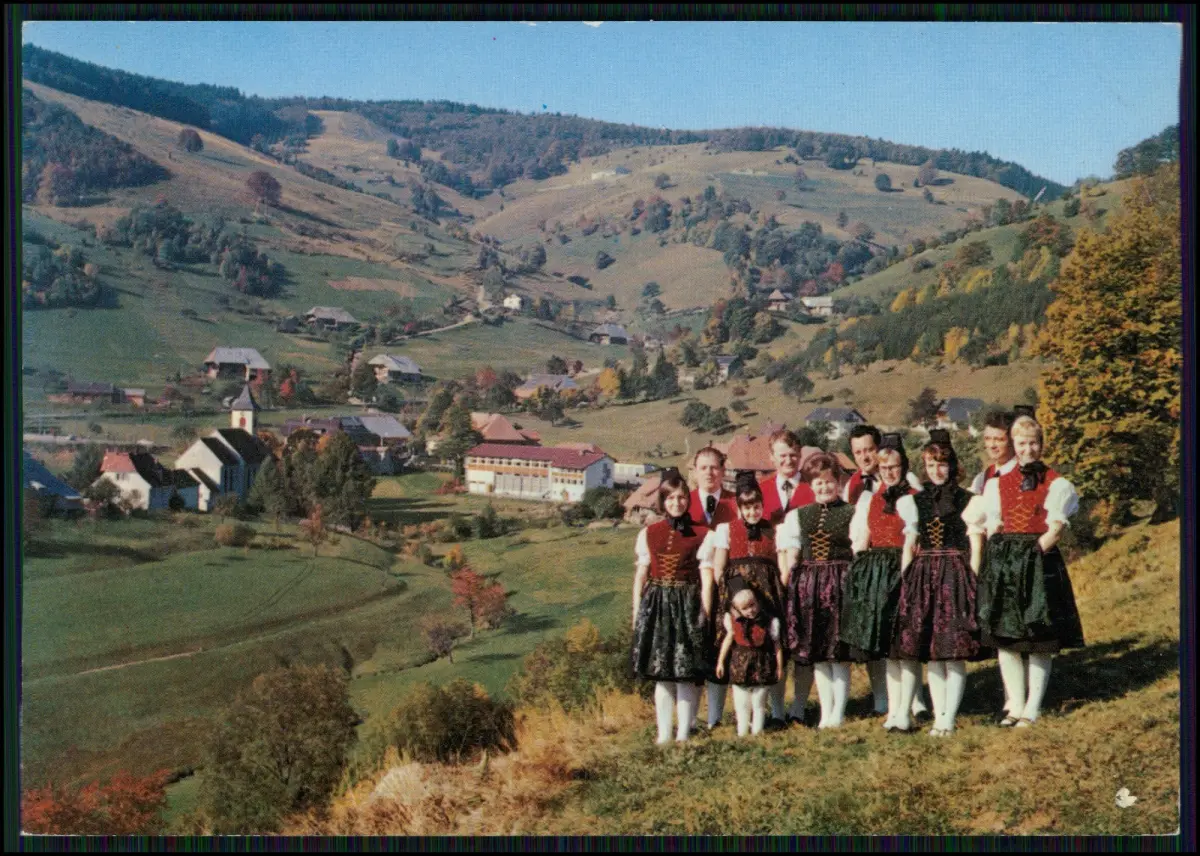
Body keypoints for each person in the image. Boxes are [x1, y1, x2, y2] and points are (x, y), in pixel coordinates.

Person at [975, 414, 1084, 728]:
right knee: (1006, 637)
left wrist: (1032, 555)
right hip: (1006, 563)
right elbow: (993, 525)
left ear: (1042, 444)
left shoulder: (1057, 483)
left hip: (1038, 560)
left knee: (1038, 638)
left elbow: (1056, 530)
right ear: (1014, 444)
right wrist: (999, 557)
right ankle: (1015, 705)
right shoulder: (997, 483)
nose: (1028, 450)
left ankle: (1032, 708)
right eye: (1022, 444)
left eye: (1033, 443)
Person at [892, 430, 984, 736]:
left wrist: (972, 580)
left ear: (952, 465)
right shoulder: (915, 502)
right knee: (932, 649)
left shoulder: (968, 500)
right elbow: (910, 544)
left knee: (953, 648)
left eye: (942, 464)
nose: (936, 471)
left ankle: (948, 717)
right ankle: (938, 713)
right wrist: (906, 580)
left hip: (954, 575)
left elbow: (976, 545)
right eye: (931, 465)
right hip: (924, 576)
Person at [842, 425, 925, 715]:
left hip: (906, 569)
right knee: (889, 643)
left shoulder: (914, 494)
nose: (889, 472)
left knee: (906, 641)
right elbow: (862, 537)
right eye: (884, 467)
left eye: (894, 467)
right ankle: (894, 705)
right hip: (879, 573)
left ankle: (914, 702)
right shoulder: (869, 497)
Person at [700, 472, 788, 730]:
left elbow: (781, 568)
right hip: (736, 599)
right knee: (734, 649)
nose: (752, 512)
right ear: (739, 508)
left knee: (770, 650)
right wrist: (731, 602)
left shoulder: (775, 530)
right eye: (747, 508)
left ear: (762, 505)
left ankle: (777, 712)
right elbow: (719, 569)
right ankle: (727, 716)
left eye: (756, 506)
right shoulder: (726, 530)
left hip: (767, 600)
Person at [632, 468, 713, 744]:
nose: (676, 503)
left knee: (684, 673)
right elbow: (641, 575)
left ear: (687, 499)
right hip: (657, 606)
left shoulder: (702, 533)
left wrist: (704, 612)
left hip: (686, 605)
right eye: (670, 498)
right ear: (662, 501)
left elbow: (706, 579)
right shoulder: (649, 533)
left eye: (681, 497)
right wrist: (637, 611)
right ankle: (664, 734)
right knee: (662, 674)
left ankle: (683, 734)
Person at [778, 453, 856, 728]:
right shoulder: (799, 516)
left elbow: (857, 550)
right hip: (810, 586)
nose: (824, 487)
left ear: (838, 482)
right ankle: (826, 712)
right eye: (818, 483)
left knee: (838, 653)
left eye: (829, 481)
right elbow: (792, 555)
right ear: (811, 485)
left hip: (840, 584)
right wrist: (790, 584)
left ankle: (839, 712)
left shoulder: (851, 512)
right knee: (819, 653)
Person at [715, 586, 784, 737]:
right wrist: (720, 662)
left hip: (762, 665)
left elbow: (777, 645)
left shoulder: (769, 621)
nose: (750, 610)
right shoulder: (733, 622)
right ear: (737, 609)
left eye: (752, 605)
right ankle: (742, 732)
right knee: (741, 702)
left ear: (758, 602)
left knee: (759, 701)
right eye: (745, 608)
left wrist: (779, 667)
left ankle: (757, 731)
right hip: (740, 665)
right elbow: (728, 640)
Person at [760, 430, 816, 526]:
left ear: (800, 454)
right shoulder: (760, 490)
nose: (788, 461)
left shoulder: (814, 487)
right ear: (771, 456)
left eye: (793, 455)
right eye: (783, 456)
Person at [970, 411, 1019, 495]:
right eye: (987, 439)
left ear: (1012, 441)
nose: (992, 445)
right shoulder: (981, 479)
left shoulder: (1023, 474)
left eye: (999, 439)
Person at [689, 446, 738, 527]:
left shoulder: (737, 501)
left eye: (714, 468)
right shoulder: (685, 502)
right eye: (703, 468)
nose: (708, 472)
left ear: (723, 471)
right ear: (695, 472)